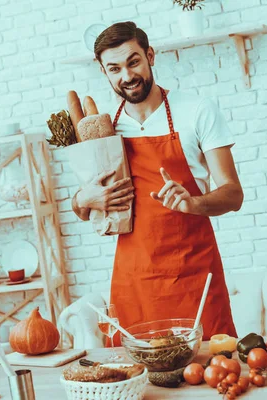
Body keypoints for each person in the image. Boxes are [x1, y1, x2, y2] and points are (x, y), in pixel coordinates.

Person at [72, 22, 244, 344]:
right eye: (114, 68)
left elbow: (234, 194)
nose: (127, 76)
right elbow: (83, 207)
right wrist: (85, 199)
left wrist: (194, 203)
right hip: (135, 279)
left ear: (150, 56)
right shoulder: (106, 130)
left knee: (212, 374)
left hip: (194, 275)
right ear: (104, 72)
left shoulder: (196, 111)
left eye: (133, 61)